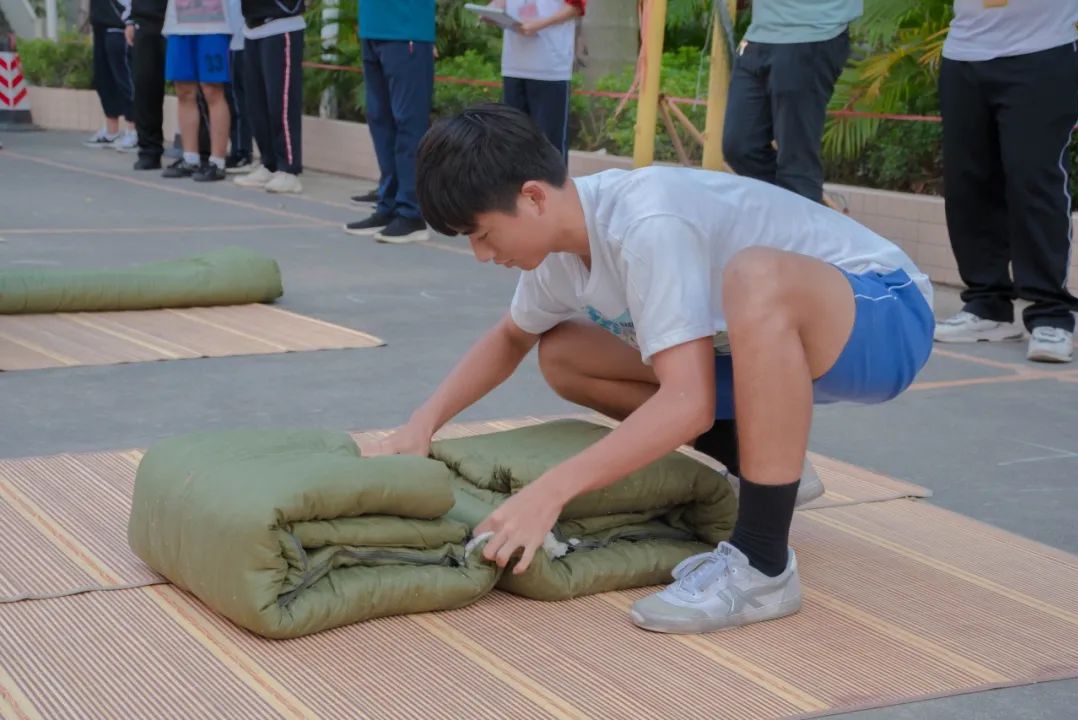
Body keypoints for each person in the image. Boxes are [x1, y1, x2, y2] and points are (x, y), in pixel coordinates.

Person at [368, 104, 934, 633]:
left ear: (534, 198)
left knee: (755, 276)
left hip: (884, 316)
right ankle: (764, 458)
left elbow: (687, 405)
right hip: (771, 349)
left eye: (483, 234)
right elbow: (509, 339)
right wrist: (423, 423)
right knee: (564, 351)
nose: (483, 256)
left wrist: (548, 493)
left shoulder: (646, 220)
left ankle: (763, 567)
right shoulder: (558, 257)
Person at [932, 0, 1078, 364]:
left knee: (1034, 180)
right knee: (968, 186)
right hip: (964, 53)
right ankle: (988, 307)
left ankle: (1050, 312)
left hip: (1042, 51)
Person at [722, 0, 861, 203]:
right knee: (740, 147)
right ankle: (793, 211)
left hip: (811, 34)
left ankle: (802, 219)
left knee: (796, 163)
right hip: (759, 36)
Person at [344, 0, 434, 243]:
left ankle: (411, 212)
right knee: (380, 121)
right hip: (373, 27)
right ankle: (388, 206)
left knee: (408, 122)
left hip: (407, 29)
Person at [486, 0, 586, 164]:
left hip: (549, 67)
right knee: (513, 137)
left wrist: (538, 24)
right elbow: (500, 3)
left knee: (549, 142)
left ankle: (553, 188)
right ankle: (517, 187)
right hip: (514, 64)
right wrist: (491, 12)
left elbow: (575, 8)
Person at [231, 0, 306, 193]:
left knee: (281, 102)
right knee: (256, 105)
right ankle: (269, 163)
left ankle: (289, 169)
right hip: (253, 26)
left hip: (281, 23)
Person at [160, 0, 234, 181]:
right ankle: (190, 158)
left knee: (212, 90)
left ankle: (217, 161)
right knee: (184, 91)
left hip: (213, 23)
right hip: (178, 24)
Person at [85, 0, 138, 152]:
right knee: (103, 79)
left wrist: (130, 20)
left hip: (119, 23)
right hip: (100, 21)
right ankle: (111, 130)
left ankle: (134, 130)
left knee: (125, 79)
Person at [123, 0, 167, 169]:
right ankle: (149, 150)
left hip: (186, 18)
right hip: (145, 20)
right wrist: (131, 19)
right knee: (145, 86)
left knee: (191, 88)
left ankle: (200, 154)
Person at [223, 0, 254, 174]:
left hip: (241, 41)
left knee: (238, 101)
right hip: (229, 40)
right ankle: (237, 149)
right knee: (232, 100)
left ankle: (243, 152)